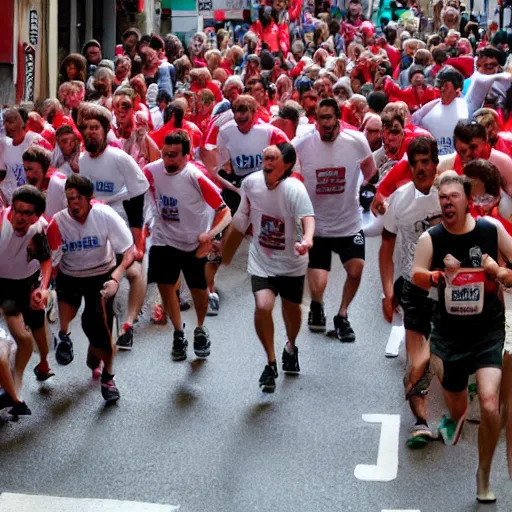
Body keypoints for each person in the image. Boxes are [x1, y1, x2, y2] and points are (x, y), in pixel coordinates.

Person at [412, 171, 512, 503]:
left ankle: (483, 473)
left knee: (488, 402)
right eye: (442, 198)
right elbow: (417, 274)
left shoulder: (490, 231)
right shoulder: (432, 238)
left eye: (453, 196)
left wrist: (497, 272)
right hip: (449, 335)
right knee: (456, 412)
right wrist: (438, 276)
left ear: (467, 199)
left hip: (488, 331)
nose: (447, 202)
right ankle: (453, 416)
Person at [222, 143, 314, 392]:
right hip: (262, 260)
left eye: (273, 159)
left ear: (286, 165)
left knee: (291, 311)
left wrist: (307, 239)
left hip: (292, 263)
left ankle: (291, 346)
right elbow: (241, 217)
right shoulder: (251, 183)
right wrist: (223, 248)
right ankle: (270, 362)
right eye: (265, 158)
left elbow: (308, 218)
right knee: (263, 306)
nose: (267, 163)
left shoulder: (295, 189)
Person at [292, 98, 376, 341]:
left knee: (356, 268)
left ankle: (342, 315)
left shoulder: (356, 141)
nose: (326, 125)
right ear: (316, 120)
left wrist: (368, 192)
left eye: (330, 119)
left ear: (338, 117)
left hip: (349, 222)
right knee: (319, 284)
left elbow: (370, 173)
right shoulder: (302, 143)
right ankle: (317, 306)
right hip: (317, 226)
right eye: (321, 119)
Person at [143, 131, 231, 361]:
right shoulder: (151, 170)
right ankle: (178, 333)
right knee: (166, 286)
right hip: (164, 239)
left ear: (187, 156)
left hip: (194, 243)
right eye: (165, 155)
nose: (168, 160)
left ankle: (200, 328)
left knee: (199, 294)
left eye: (174, 156)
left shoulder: (195, 176)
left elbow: (225, 211)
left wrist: (210, 235)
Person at [47, 174, 135, 403]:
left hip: (101, 274)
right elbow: (51, 261)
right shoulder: (57, 222)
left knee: (95, 323)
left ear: (89, 198)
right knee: (69, 312)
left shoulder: (104, 215)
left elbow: (129, 251)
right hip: (70, 274)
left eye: (78, 198)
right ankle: (64, 336)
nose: (73, 203)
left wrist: (116, 277)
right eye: (69, 199)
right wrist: (45, 287)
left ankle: (108, 376)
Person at [379, 137, 441, 448]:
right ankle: (420, 422)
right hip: (414, 288)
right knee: (418, 359)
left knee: (444, 360)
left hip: (452, 292)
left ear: (436, 163)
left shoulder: (452, 193)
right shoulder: (399, 201)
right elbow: (386, 247)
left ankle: (453, 411)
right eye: (414, 163)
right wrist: (388, 292)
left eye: (426, 161)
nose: (421, 168)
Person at [77, 103, 149, 351]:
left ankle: (128, 325)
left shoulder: (119, 158)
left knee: (134, 272)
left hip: (125, 222)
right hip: (97, 227)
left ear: (106, 130)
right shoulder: (82, 160)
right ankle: (105, 327)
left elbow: (138, 195)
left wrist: (138, 239)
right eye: (85, 128)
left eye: (95, 128)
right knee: (102, 280)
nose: (90, 132)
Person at [0, 185, 54, 403]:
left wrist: (43, 288)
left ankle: (43, 362)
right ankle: (14, 383)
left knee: (37, 325)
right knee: (22, 337)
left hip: (27, 281)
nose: (19, 217)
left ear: (36, 216)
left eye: (26, 213)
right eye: (17, 210)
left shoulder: (39, 228)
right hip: (2, 283)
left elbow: (46, 260)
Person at [411, 67, 468, 155]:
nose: (442, 88)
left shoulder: (467, 107)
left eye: (445, 85)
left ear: (457, 88)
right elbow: (412, 124)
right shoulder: (428, 110)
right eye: (440, 84)